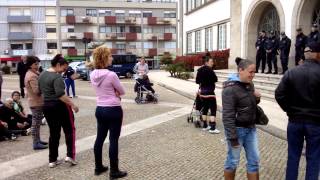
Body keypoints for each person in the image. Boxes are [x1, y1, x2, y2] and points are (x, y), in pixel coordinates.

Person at [275, 32, 320, 180]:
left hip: (295, 120)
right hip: (315, 122)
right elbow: (279, 94)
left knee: (293, 157)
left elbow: (279, 94)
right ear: (318, 55)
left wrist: (290, 110)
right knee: (313, 158)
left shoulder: (291, 72)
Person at [90, 46, 127, 179]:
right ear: (105, 58)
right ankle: (114, 171)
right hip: (113, 109)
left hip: (100, 109)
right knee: (113, 140)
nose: (112, 57)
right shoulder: (111, 75)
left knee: (99, 138)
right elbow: (122, 91)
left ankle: (98, 167)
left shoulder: (92, 74)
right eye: (110, 55)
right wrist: (116, 93)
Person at [222, 58, 260, 180]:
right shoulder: (230, 89)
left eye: (254, 72)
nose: (253, 75)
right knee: (233, 162)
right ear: (240, 70)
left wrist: (257, 98)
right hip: (237, 131)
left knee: (254, 162)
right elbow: (227, 116)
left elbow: (249, 104)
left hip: (251, 129)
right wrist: (232, 138)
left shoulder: (250, 84)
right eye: (251, 72)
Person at [38, 54, 79, 168]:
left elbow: (39, 91)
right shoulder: (57, 77)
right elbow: (61, 95)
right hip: (59, 106)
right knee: (69, 130)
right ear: (58, 65)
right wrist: (73, 105)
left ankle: (52, 160)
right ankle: (70, 155)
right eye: (64, 69)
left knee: (54, 133)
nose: (64, 72)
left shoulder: (42, 75)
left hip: (47, 106)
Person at [24, 56, 48, 150]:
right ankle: (35, 143)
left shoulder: (32, 73)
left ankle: (38, 140)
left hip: (35, 102)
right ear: (30, 65)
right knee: (35, 124)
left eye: (38, 63)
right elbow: (36, 91)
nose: (37, 66)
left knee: (37, 123)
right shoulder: (32, 75)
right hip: (36, 102)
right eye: (35, 64)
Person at [195, 57, 220, 134]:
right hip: (210, 93)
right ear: (206, 62)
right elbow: (215, 79)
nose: (212, 63)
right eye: (211, 61)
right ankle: (212, 128)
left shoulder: (200, 70)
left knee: (205, 109)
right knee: (213, 109)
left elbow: (197, 81)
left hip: (202, 93)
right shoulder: (210, 70)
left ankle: (205, 126)